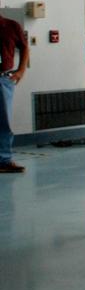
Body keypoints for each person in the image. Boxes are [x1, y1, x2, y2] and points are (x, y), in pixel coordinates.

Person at [0, 11, 30, 173]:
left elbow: (24, 47)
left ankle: (4, 160)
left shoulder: (11, 26)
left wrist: (21, 71)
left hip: (3, 80)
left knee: (4, 122)